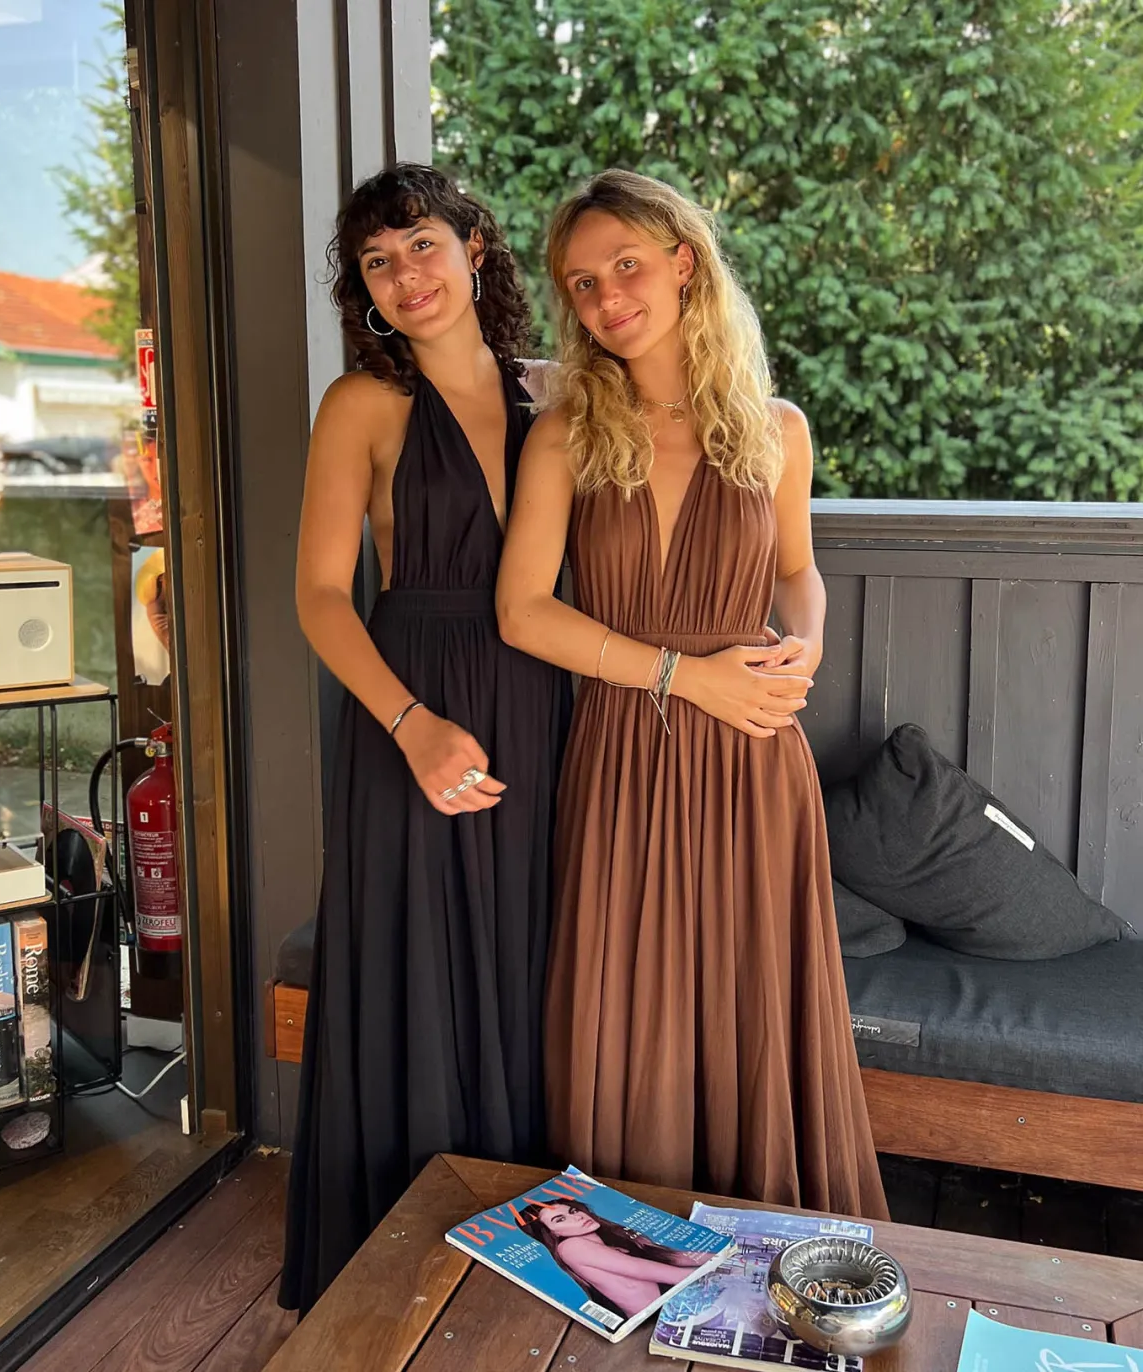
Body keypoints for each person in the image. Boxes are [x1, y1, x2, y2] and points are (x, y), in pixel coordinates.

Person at [497, 169, 888, 1220]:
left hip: (752, 753)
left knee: (753, 1002)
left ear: (683, 263)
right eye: (582, 284)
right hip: (625, 746)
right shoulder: (567, 434)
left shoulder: (777, 429)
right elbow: (522, 612)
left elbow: (798, 571)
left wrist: (806, 645)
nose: (606, 297)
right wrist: (685, 676)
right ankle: (631, 1248)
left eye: (625, 265)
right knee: (628, 1004)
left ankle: (765, 1245)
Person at [280, 163, 571, 1317]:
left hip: (544, 705)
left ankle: (524, 1258)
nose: (406, 277)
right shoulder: (363, 404)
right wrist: (410, 726)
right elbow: (319, 594)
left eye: (422, 246)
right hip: (413, 708)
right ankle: (397, 1266)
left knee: (528, 960)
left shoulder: (556, 396)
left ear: (475, 247)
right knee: (417, 967)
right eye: (377, 262)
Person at [518, 1199, 717, 1320]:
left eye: (573, 1211)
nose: (577, 1217)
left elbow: (670, 1257)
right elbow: (640, 1269)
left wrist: (723, 1255)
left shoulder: (608, 1238)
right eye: (560, 1220)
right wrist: (713, 1274)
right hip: (654, 1318)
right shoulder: (570, 1247)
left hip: (671, 1303)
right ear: (552, 1234)